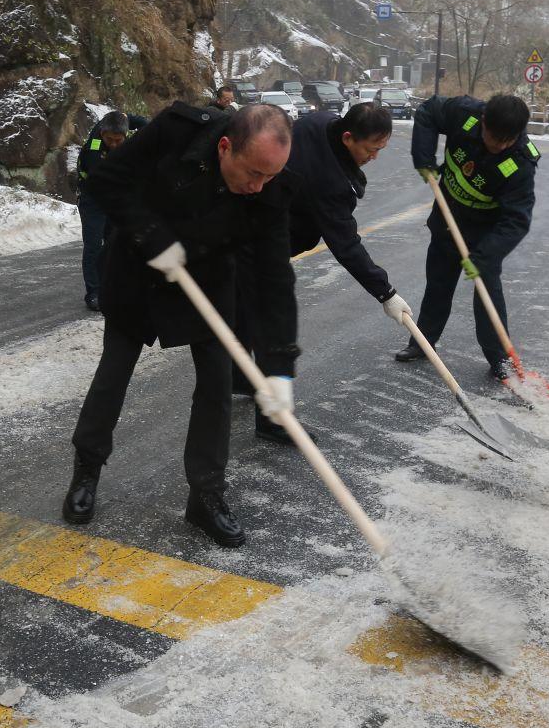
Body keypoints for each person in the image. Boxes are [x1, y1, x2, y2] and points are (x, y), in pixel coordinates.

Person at [63, 103, 298, 548]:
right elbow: (108, 181)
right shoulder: (176, 132)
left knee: (217, 387)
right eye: (253, 173)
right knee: (113, 374)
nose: (258, 187)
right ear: (225, 147)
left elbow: (274, 280)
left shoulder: (269, 186)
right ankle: (87, 469)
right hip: (139, 267)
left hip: (208, 280)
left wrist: (280, 369)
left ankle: (206, 495)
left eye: (269, 177)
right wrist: (151, 236)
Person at [236, 101, 410, 444]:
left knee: (240, 306)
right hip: (264, 242)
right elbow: (346, 245)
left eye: (380, 149)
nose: (374, 157)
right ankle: (272, 419)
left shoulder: (321, 122)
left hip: (247, 223)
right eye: (370, 149)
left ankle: (238, 377)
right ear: (348, 138)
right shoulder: (330, 182)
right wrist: (385, 292)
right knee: (273, 325)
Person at [396, 94, 538, 382]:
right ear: (483, 121)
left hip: (486, 232)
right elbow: (427, 112)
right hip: (448, 216)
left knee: (487, 295)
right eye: (493, 137)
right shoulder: (464, 114)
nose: (498, 146)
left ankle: (499, 359)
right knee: (438, 283)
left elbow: (516, 221)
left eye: (506, 141)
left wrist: (484, 257)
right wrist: (424, 158)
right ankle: (422, 343)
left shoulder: (519, 162)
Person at [76, 110, 149, 311]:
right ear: (102, 133)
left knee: (115, 244)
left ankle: (115, 287)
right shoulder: (94, 150)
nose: (114, 144)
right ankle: (94, 293)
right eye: (110, 140)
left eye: (119, 140)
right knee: (93, 245)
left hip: (114, 197)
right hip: (93, 199)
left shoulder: (116, 123)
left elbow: (134, 119)